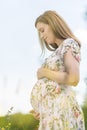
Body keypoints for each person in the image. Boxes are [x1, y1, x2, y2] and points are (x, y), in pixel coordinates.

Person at [30, 10, 85, 130]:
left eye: (42, 30)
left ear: (53, 24)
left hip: (63, 111)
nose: (41, 36)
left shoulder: (69, 44)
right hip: (52, 112)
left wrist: (44, 72)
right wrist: (44, 107)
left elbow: (73, 78)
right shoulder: (58, 51)